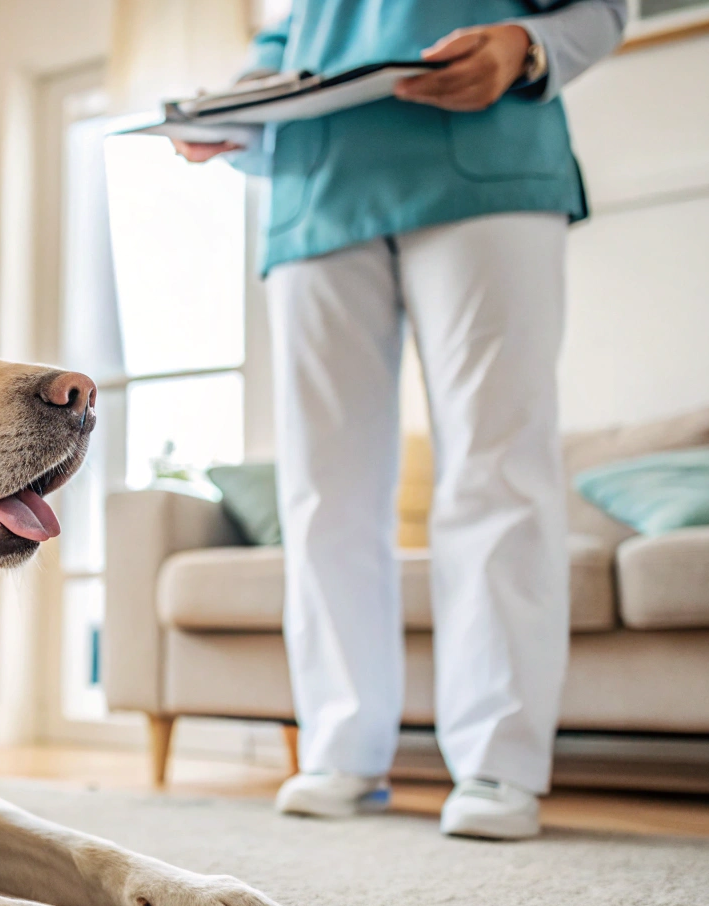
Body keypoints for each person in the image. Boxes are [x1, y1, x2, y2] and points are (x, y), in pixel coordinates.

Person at [177, 0, 627, 839]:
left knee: (497, 465)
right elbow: (287, 39)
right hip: (314, 191)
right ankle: (342, 748)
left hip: (484, 158)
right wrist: (230, 112)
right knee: (322, 487)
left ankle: (499, 762)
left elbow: (602, 7)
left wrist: (528, 45)